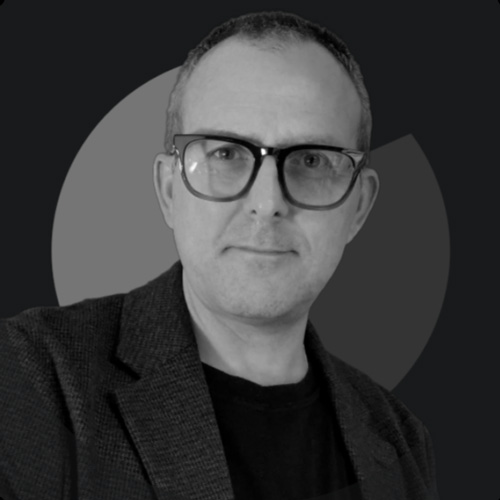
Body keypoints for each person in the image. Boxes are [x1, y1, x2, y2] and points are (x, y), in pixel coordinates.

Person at [0, 11, 439, 500]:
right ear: (169, 190)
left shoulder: (401, 441)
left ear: (358, 207)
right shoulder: (30, 376)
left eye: (312, 160)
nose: (268, 203)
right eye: (226, 154)